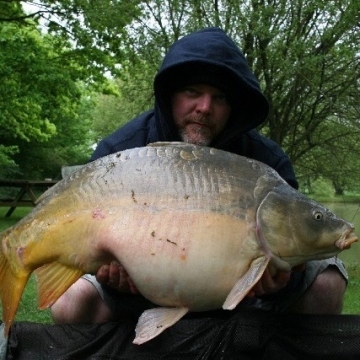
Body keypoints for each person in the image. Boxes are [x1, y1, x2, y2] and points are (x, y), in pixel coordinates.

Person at [51, 27, 347, 325]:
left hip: (243, 307)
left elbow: (291, 255)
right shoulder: (120, 151)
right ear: (170, 95)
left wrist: (281, 282)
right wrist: (105, 272)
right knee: (69, 302)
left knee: (328, 283)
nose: (204, 108)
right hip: (136, 296)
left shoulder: (267, 161)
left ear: (235, 107)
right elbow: (82, 242)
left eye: (219, 98)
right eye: (192, 92)